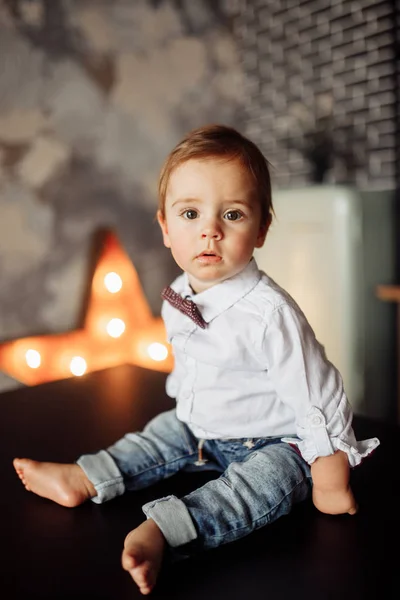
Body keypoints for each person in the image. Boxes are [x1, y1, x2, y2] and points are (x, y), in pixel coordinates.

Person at [13, 124, 380, 595]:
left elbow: (316, 389)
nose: (210, 230)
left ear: (262, 228)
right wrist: (187, 409)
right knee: (154, 437)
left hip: (275, 441)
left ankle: (166, 530)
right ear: (165, 227)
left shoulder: (269, 313)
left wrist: (329, 472)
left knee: (256, 490)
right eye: (190, 213)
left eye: (232, 213)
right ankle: (88, 475)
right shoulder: (178, 296)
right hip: (202, 425)